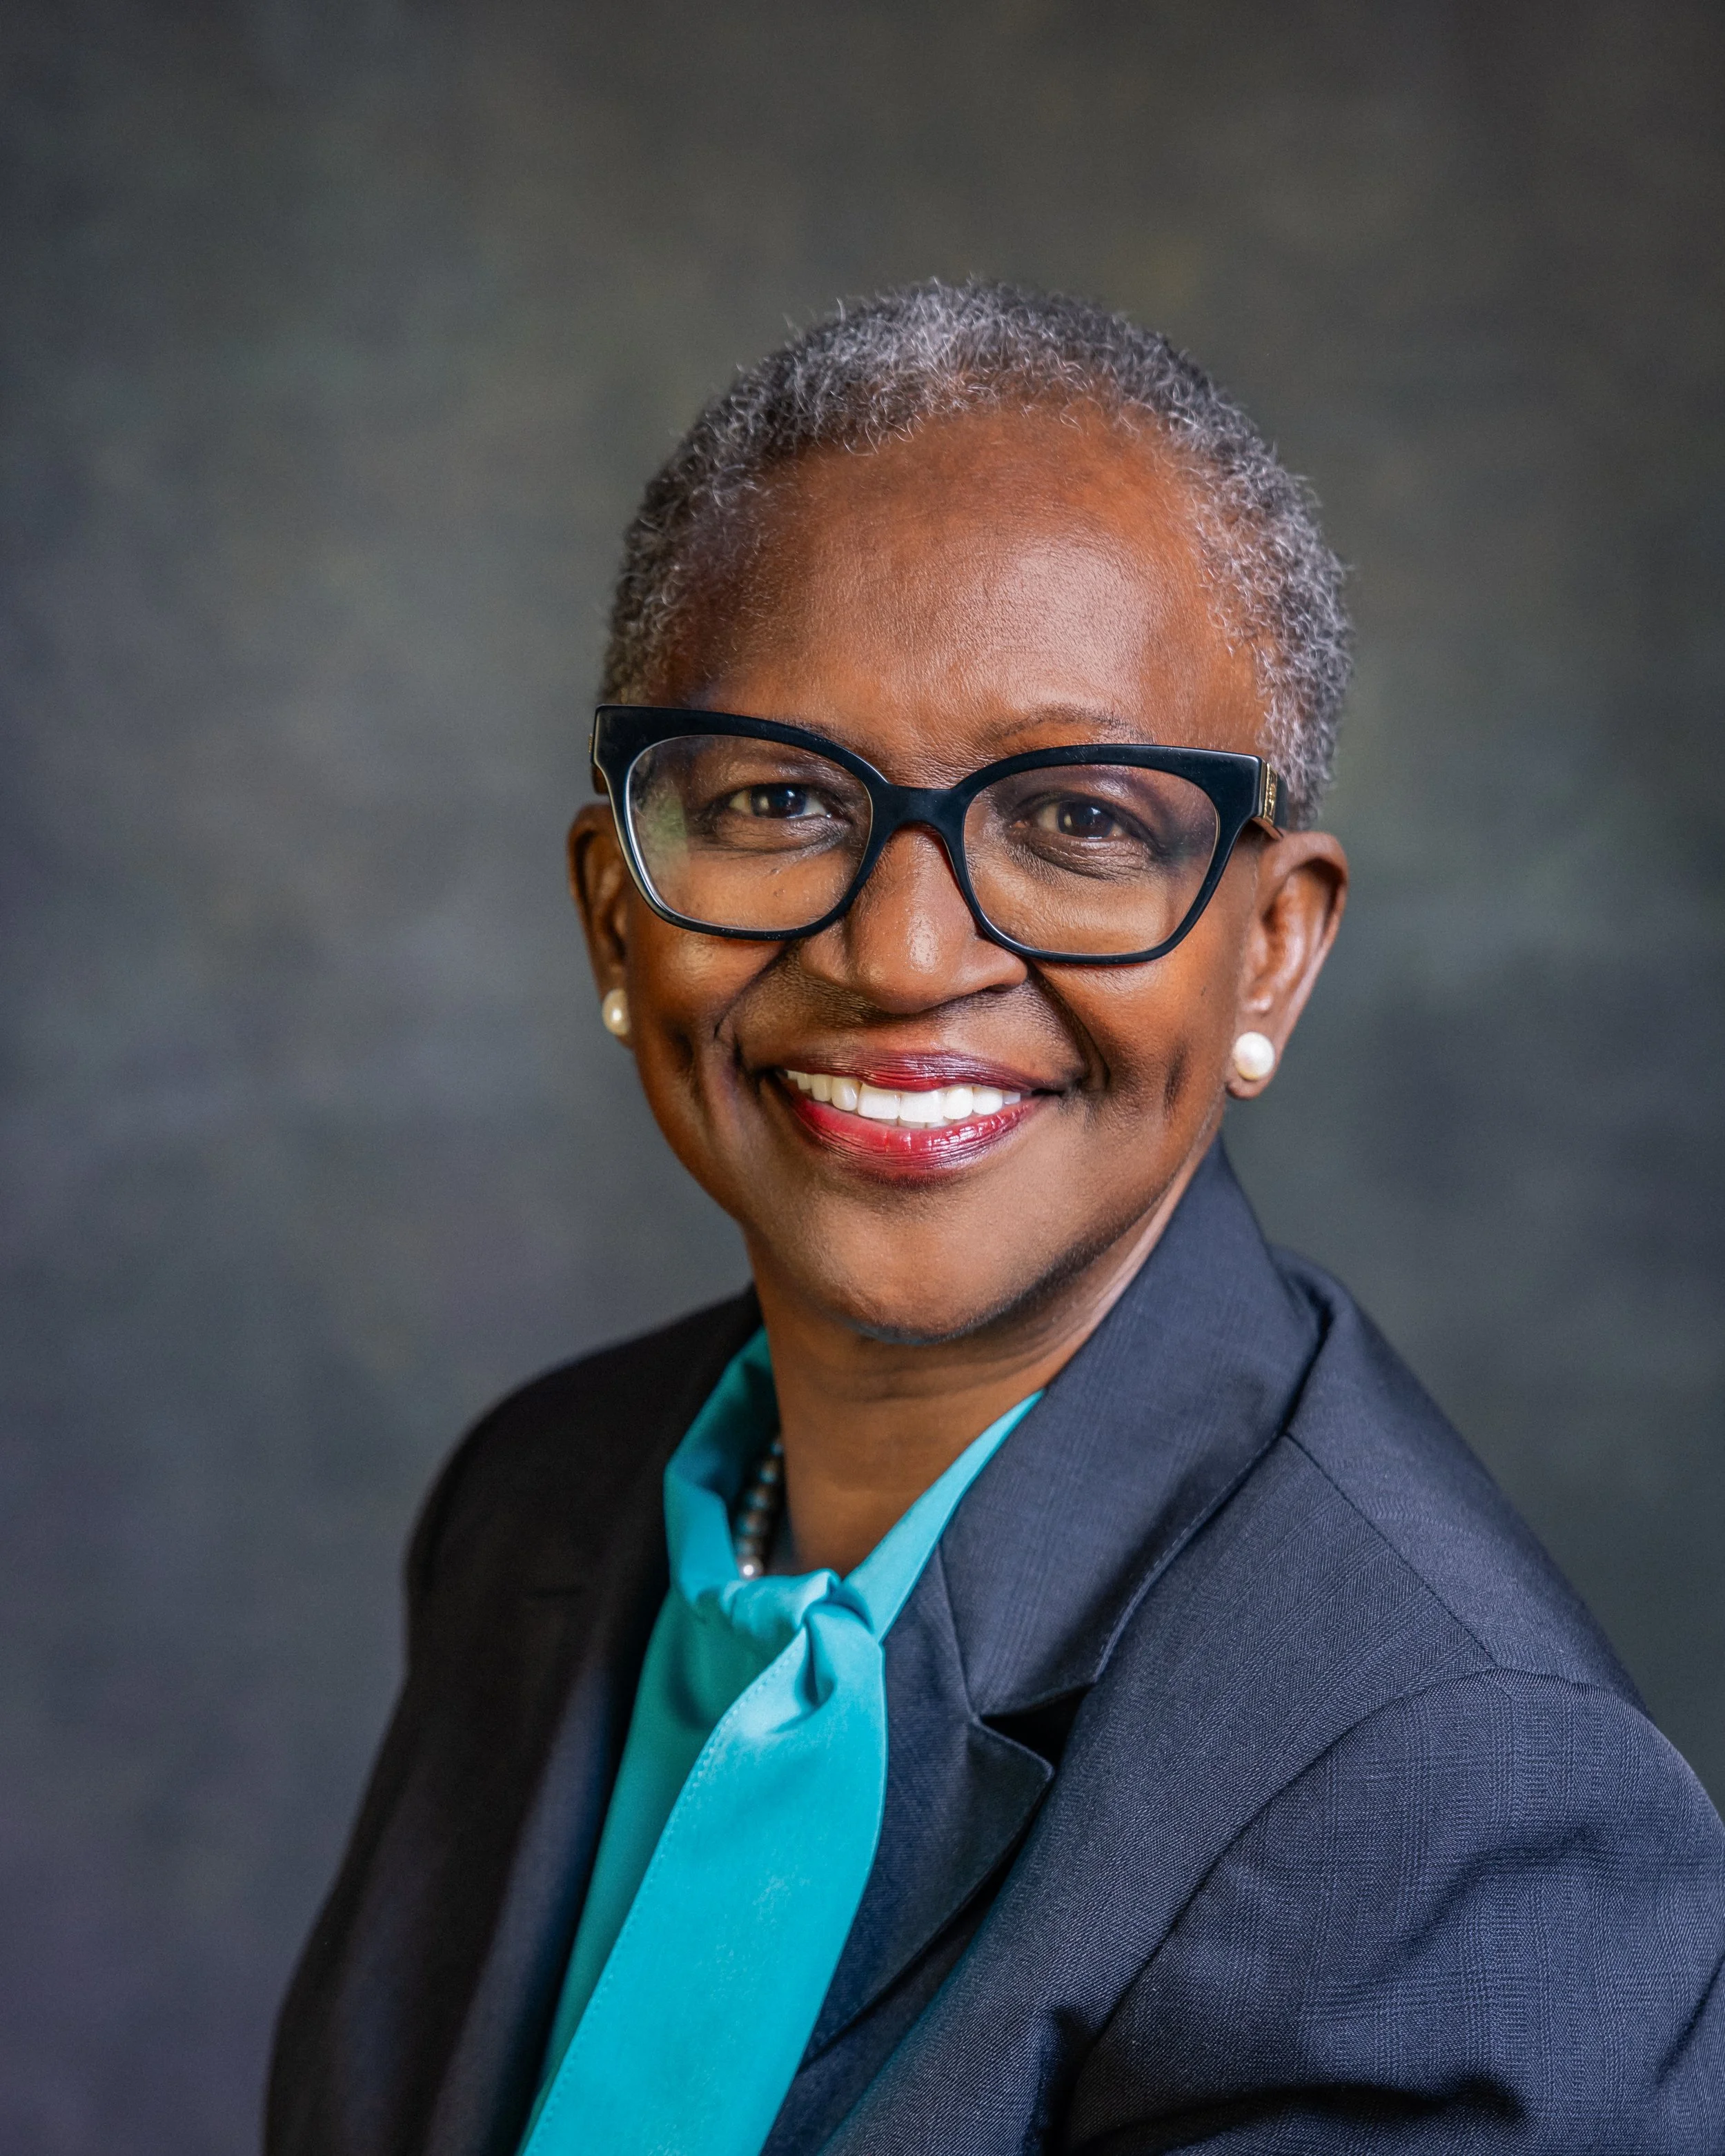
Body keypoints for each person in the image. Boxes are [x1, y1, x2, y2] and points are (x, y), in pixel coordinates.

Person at [267, 283, 1725, 2156]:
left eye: (1079, 822)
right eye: (779, 796)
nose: (901, 947)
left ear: (1267, 951)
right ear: (613, 911)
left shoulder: (1458, 1805)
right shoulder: (538, 1499)